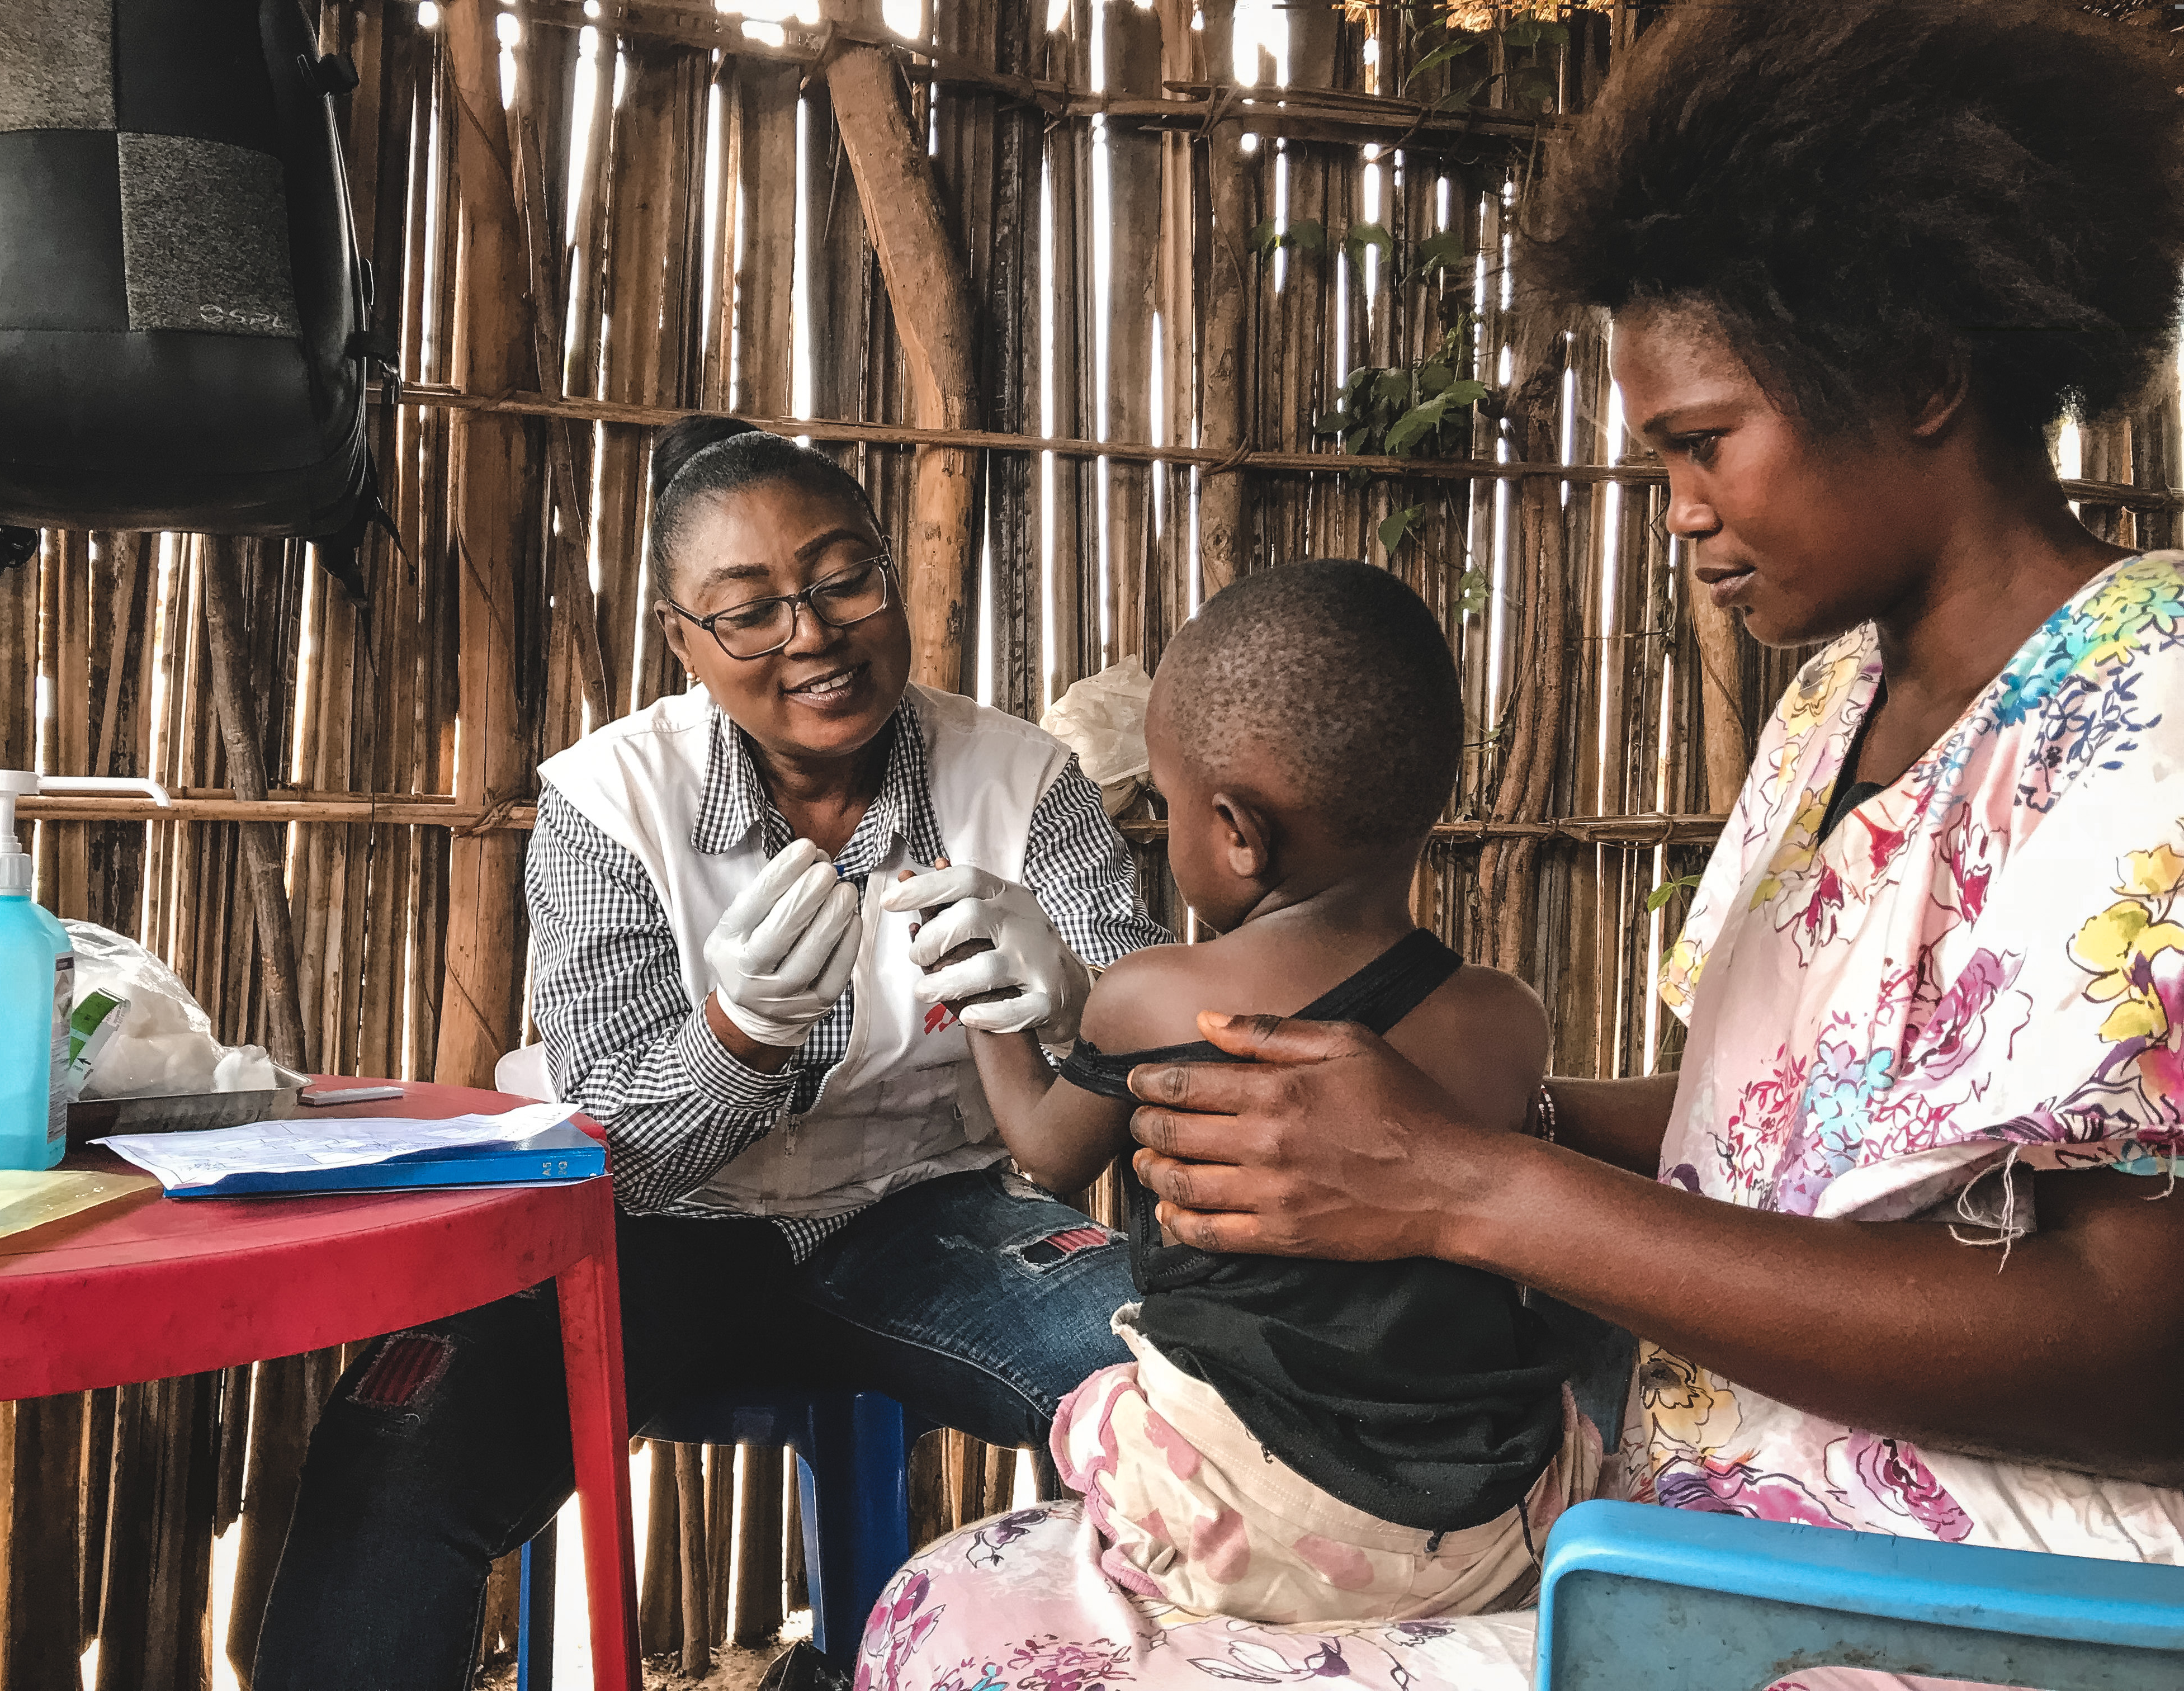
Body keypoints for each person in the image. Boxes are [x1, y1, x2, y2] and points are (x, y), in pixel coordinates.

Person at [854, 6, 2184, 1690]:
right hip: (1696, 1535)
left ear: (1923, 374)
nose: (1681, 509)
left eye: (1705, 443)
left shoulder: (2152, 718)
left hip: (1960, 1606)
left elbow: (2143, 1348)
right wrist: (1431, 1119)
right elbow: (1771, 1141)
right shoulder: (1839, 702)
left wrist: (1478, 1183)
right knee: (962, 1606)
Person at [254, 419, 1166, 1689]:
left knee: (1183, 1379)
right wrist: (735, 1042)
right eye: (748, 612)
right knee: (398, 1441)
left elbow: (1155, 1027)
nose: (811, 632)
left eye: (844, 577)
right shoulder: (604, 803)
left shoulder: (1022, 780)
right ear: (684, 644)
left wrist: (1077, 995)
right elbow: (619, 1151)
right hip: (649, 1232)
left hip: (925, 1209)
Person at [956, 560, 1598, 1626]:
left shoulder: (1156, 995)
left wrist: (980, 1001)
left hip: (1244, 1526)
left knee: (1103, 1402)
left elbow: (1047, 1153)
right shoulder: (1505, 1021)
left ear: (1241, 834)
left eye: (1167, 809)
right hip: (1488, 1527)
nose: (1163, 834)